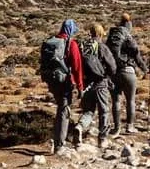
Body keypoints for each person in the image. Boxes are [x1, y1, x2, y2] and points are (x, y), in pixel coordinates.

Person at [39, 19, 85, 153]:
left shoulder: (52, 41)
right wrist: (80, 86)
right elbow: (77, 67)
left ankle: (56, 139)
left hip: (51, 80)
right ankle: (59, 144)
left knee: (60, 108)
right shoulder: (71, 44)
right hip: (63, 81)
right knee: (64, 111)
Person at [106, 14, 150, 134]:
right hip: (128, 71)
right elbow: (137, 55)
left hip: (113, 72)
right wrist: (145, 69)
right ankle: (130, 126)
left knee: (115, 100)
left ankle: (116, 128)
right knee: (130, 100)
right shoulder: (128, 37)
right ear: (129, 26)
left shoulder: (112, 36)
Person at [79, 22, 118, 145]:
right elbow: (112, 66)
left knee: (88, 111)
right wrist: (108, 75)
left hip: (86, 83)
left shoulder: (83, 47)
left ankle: (79, 127)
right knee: (103, 111)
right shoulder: (102, 47)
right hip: (101, 83)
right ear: (101, 34)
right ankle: (102, 138)